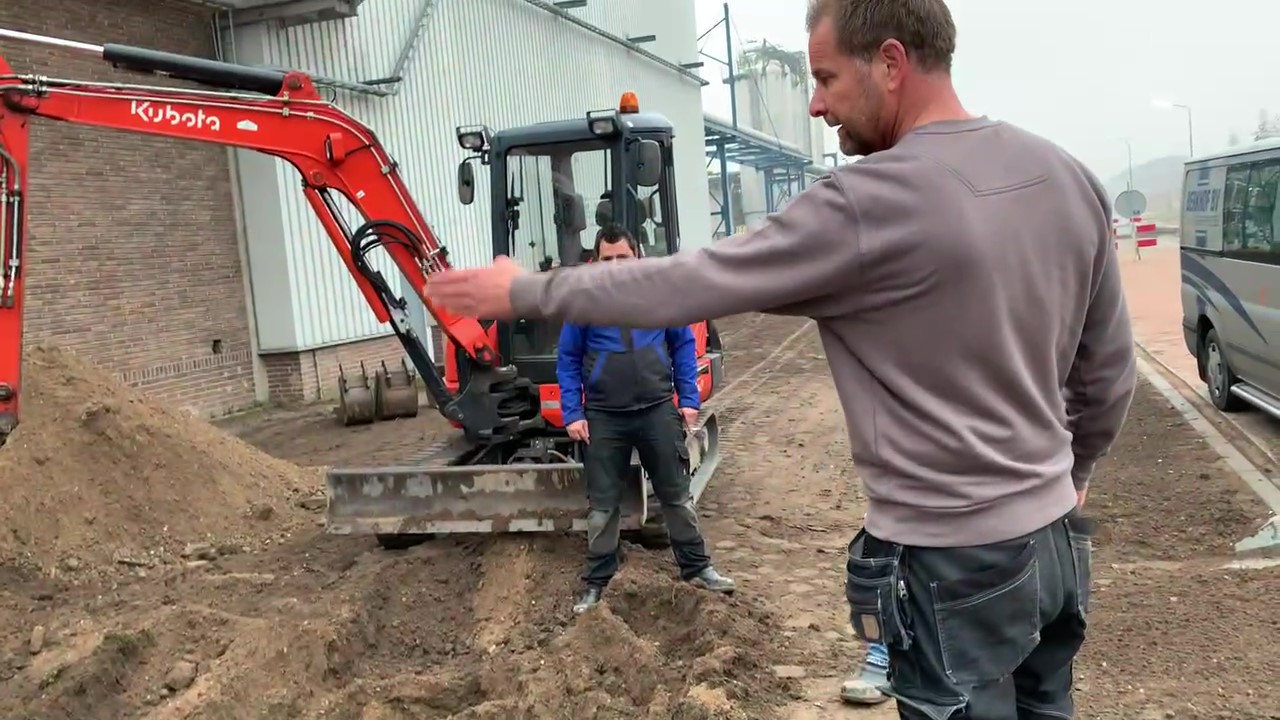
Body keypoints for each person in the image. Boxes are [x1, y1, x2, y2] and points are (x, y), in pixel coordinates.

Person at [424, 0, 1137, 717]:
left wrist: (527, 289)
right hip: (1055, 551)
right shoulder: (1066, 177)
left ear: (890, 63)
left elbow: (687, 282)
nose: (818, 105)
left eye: (825, 78)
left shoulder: (869, 203)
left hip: (952, 564)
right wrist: (1070, 475)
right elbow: (1107, 375)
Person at [557, 225, 735, 614]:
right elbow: (568, 360)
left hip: (656, 410)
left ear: (637, 257)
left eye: (623, 257)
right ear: (596, 261)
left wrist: (688, 400)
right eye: (608, 259)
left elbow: (683, 345)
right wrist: (572, 412)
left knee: (676, 497)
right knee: (603, 506)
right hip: (604, 417)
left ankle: (697, 567)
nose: (616, 265)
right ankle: (598, 581)